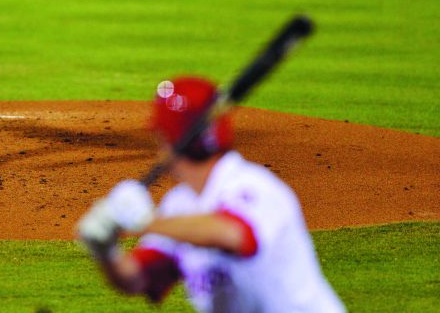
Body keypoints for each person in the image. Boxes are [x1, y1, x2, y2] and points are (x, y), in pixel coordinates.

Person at [77, 76, 345, 312]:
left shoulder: (253, 186)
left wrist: (145, 221)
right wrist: (107, 253)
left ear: (168, 139)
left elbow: (235, 234)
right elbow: (137, 278)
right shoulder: (179, 205)